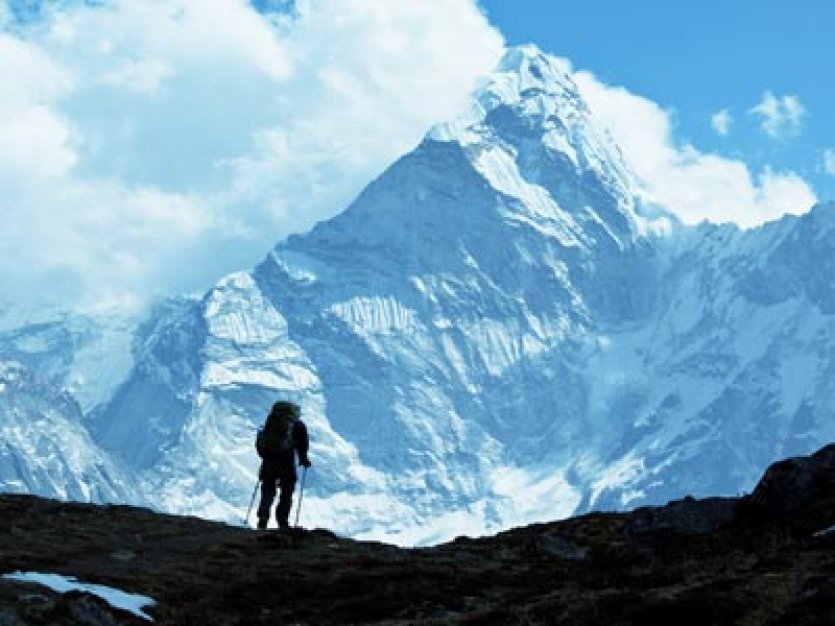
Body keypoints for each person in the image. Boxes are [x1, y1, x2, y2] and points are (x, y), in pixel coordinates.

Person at [255, 400, 311, 530]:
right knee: (286, 492)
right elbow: (302, 446)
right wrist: (304, 460)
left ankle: (263, 518)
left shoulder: (271, 421)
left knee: (268, 490)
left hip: (269, 462)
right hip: (286, 463)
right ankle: (282, 521)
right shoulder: (297, 425)